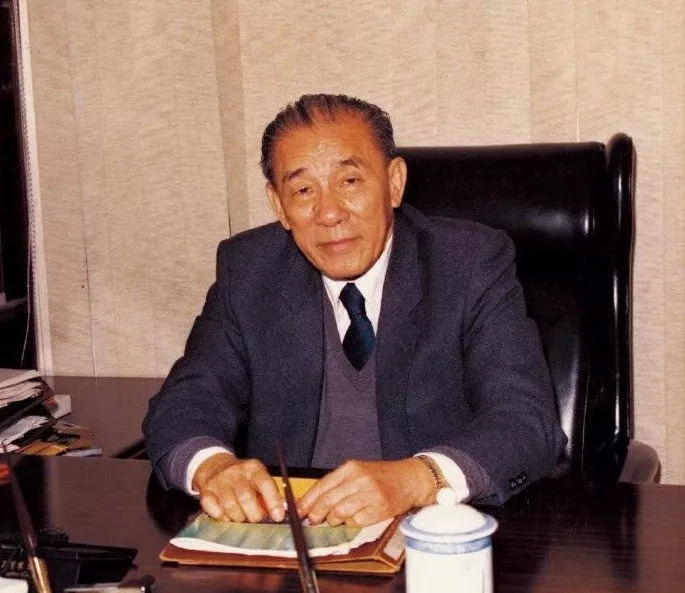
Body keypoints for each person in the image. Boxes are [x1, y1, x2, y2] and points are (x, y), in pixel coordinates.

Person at [143, 93, 566, 527]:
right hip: (287, 537)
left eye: (349, 181)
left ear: (394, 183)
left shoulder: (468, 263)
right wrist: (214, 468)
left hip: (430, 536)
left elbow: (525, 420)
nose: (329, 213)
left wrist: (418, 479)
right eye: (303, 190)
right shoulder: (249, 271)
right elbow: (186, 400)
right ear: (279, 206)